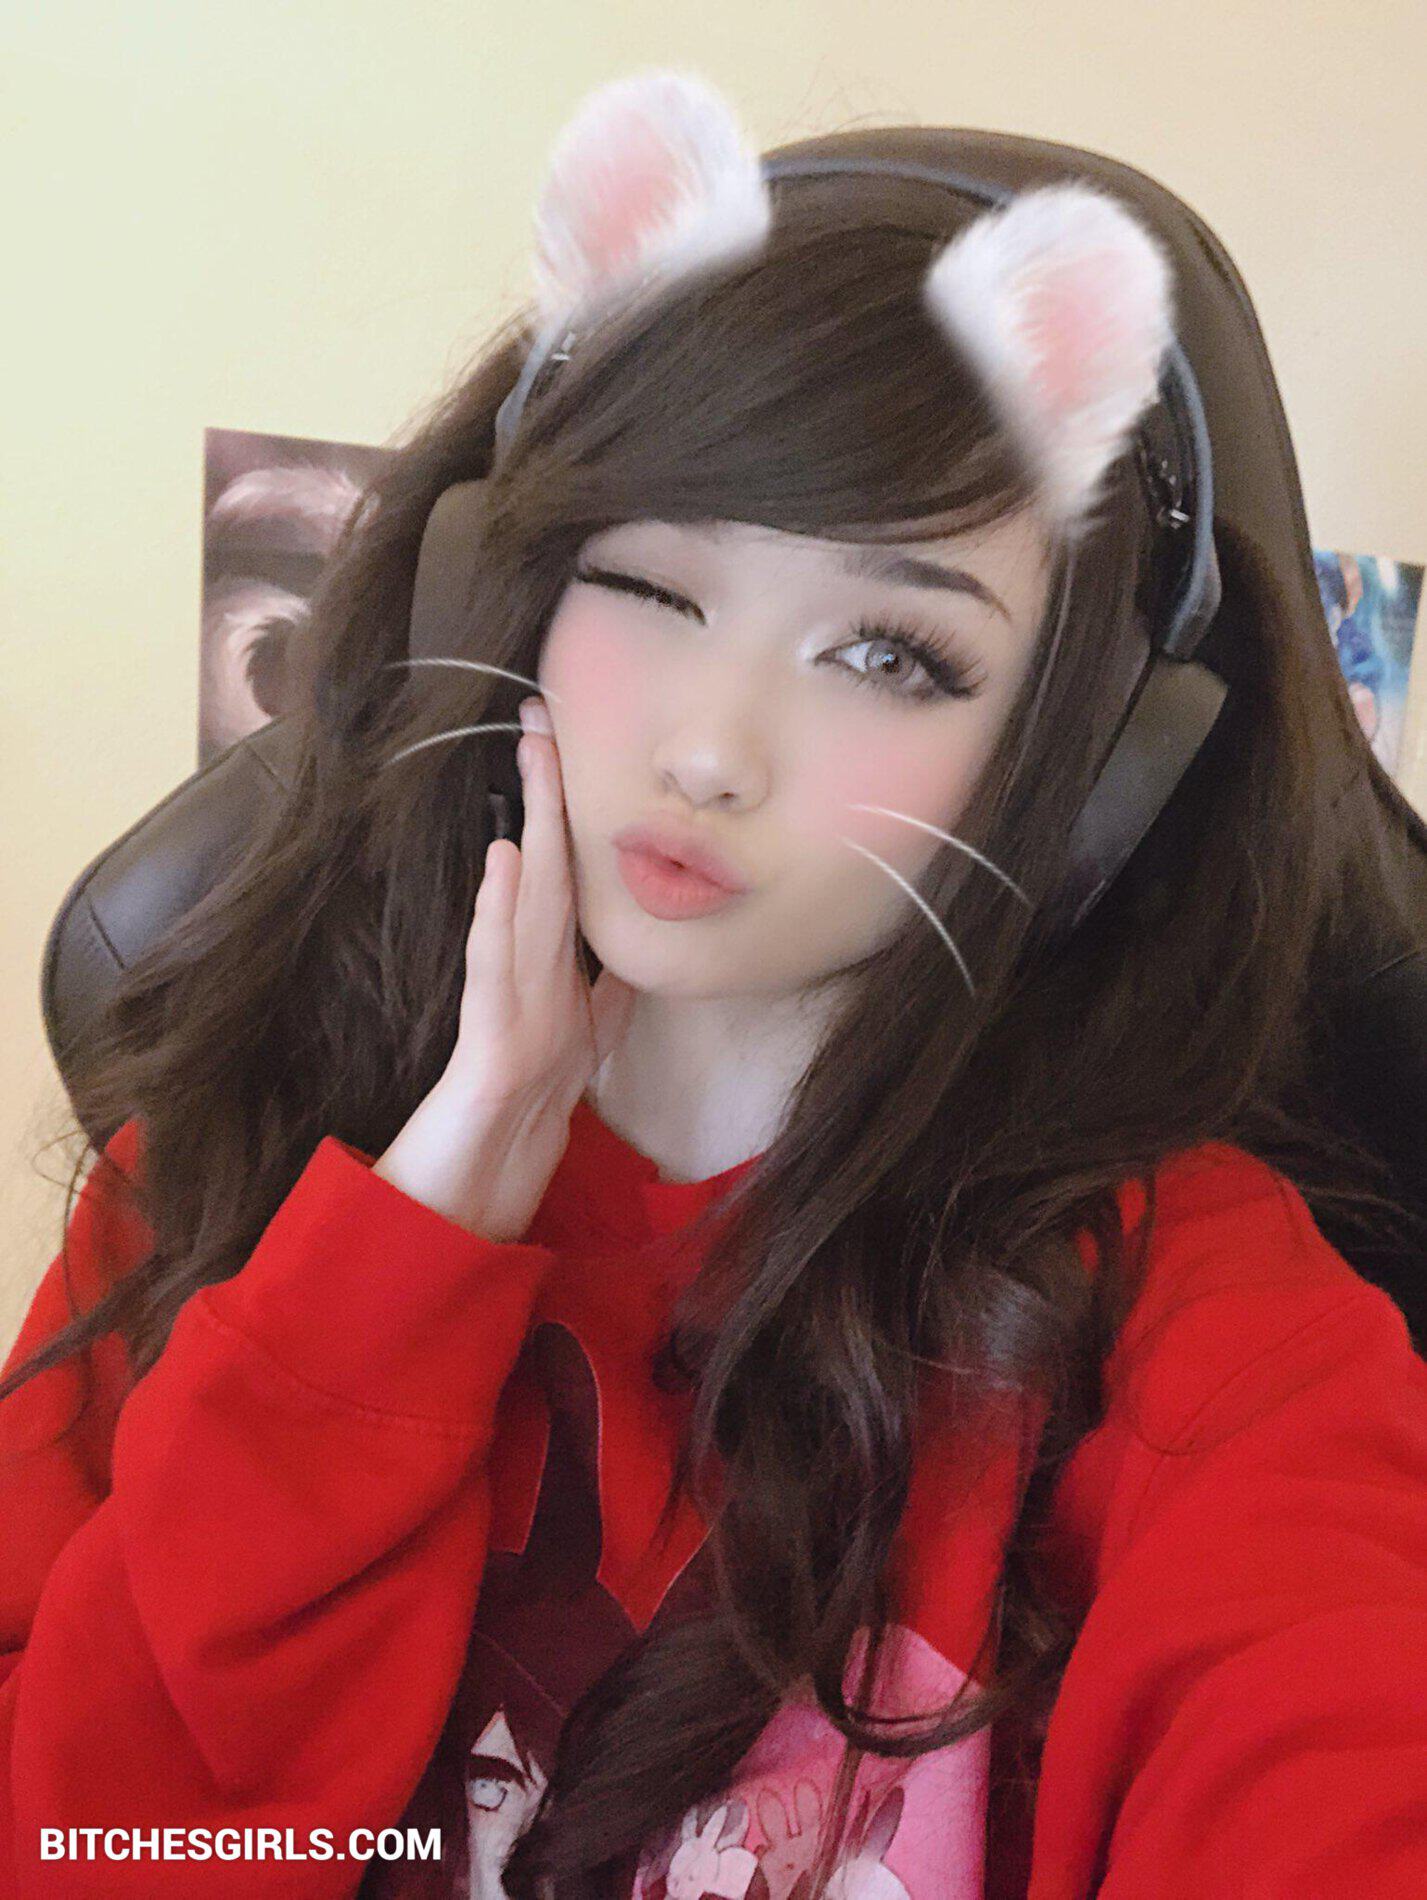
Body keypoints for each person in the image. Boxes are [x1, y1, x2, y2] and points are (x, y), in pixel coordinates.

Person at [3, 66, 1426, 1900]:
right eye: (651, 588)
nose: (710, 749)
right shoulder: (209, 1178)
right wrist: (402, 1256)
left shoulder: (1203, 1336)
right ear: (493, 598)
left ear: (1087, 782)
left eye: (889, 654)